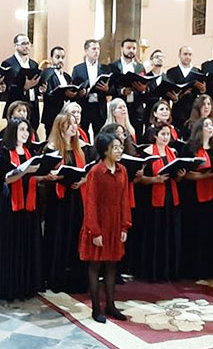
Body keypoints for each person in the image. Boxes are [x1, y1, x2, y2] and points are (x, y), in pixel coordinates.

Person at [79, 133, 131, 324]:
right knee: (95, 265)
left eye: (120, 147)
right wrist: (95, 230)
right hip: (99, 222)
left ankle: (111, 304)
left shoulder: (122, 170)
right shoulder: (96, 172)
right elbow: (90, 202)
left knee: (112, 264)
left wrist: (125, 225)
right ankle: (96, 308)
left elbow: (125, 199)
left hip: (115, 221)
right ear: (105, 150)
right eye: (115, 147)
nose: (119, 150)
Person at [0, 118, 45, 301]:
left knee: (27, 244)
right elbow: (6, 179)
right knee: (12, 245)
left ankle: (27, 285)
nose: (25, 133)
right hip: (11, 206)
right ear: (13, 131)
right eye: (21, 129)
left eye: (27, 130)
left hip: (29, 206)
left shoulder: (31, 152)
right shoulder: (5, 153)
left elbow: (34, 178)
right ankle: (11, 286)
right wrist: (25, 171)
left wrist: (43, 174)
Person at [42, 113, 88, 294]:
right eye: (70, 124)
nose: (74, 127)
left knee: (75, 235)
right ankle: (56, 277)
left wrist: (84, 180)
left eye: (75, 124)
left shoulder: (79, 148)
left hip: (76, 196)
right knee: (59, 236)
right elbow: (45, 174)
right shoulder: (51, 148)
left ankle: (75, 278)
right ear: (61, 127)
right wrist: (55, 177)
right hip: (58, 200)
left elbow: (85, 171)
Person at [134, 122, 185, 281]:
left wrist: (180, 175)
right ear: (155, 135)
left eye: (168, 135)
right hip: (153, 200)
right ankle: (153, 272)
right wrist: (155, 179)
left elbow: (174, 176)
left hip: (171, 197)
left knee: (170, 235)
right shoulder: (147, 153)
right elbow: (138, 180)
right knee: (155, 235)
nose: (165, 137)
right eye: (163, 134)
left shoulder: (173, 152)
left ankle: (169, 271)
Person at [180, 117, 213, 278]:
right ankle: (194, 269)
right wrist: (207, 175)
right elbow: (186, 174)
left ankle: (211, 268)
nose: (210, 128)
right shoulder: (190, 148)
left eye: (211, 125)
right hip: (194, 195)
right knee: (196, 232)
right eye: (206, 125)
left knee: (212, 232)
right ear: (200, 129)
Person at [2, 34, 42, 129]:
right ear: (16, 46)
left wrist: (40, 89)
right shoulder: (8, 63)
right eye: (23, 43)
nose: (26, 46)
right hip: (16, 106)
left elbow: (36, 84)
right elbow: (8, 88)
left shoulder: (34, 64)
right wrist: (23, 88)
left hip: (32, 106)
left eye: (28, 43)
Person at [109, 39, 147, 138]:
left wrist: (143, 89)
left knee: (137, 135)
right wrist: (122, 91)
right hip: (120, 105)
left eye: (134, 48)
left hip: (136, 107)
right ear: (122, 49)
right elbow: (110, 87)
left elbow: (145, 86)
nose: (131, 50)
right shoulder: (113, 66)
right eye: (128, 48)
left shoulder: (140, 67)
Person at [71, 39, 108, 138]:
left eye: (98, 49)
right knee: (83, 133)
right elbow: (74, 87)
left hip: (99, 105)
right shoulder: (78, 69)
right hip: (84, 105)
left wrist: (107, 89)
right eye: (94, 49)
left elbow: (111, 87)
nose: (97, 51)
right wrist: (79, 93)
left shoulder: (104, 68)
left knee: (100, 134)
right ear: (86, 51)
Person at [41, 46, 81, 134]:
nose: (60, 60)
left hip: (66, 115)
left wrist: (75, 94)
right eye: (57, 57)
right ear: (51, 58)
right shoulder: (47, 74)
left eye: (62, 57)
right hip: (52, 114)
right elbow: (48, 94)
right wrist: (63, 94)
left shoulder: (66, 76)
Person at [165, 46, 206, 129]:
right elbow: (168, 89)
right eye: (185, 54)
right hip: (177, 109)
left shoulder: (197, 71)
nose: (187, 57)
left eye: (190, 54)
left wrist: (202, 90)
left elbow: (202, 91)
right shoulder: (172, 72)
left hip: (193, 110)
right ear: (179, 55)